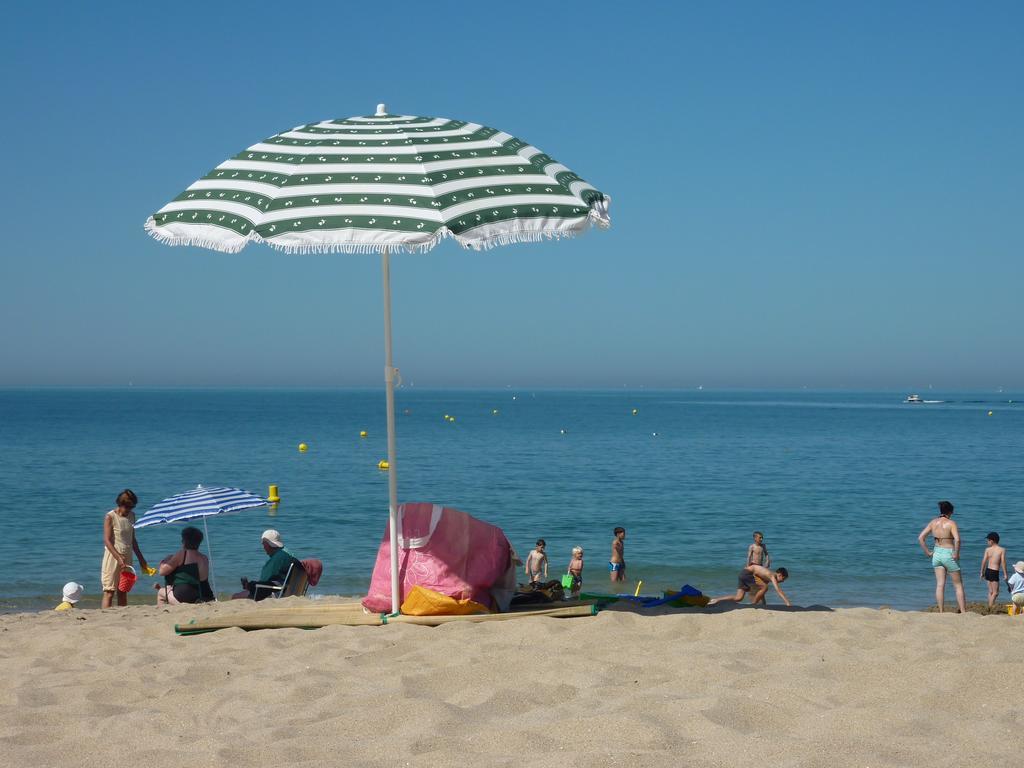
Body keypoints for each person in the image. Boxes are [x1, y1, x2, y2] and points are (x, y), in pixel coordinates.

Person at [101, 489, 150, 608]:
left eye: (132, 507)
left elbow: (132, 539)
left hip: (127, 555)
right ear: (120, 504)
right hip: (113, 556)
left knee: (123, 590)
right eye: (127, 507)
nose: (129, 510)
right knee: (109, 591)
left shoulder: (132, 516)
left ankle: (121, 615)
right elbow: (107, 540)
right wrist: (118, 557)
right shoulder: (110, 517)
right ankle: (105, 617)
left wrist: (141, 559)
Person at [917, 500, 967, 613]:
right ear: (950, 511)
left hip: (936, 554)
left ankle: (941, 611)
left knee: (940, 585)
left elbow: (920, 538)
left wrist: (928, 552)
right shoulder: (951, 523)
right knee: (958, 585)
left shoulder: (933, 522)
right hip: (948, 553)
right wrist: (957, 554)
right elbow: (958, 540)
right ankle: (963, 612)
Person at [232, 529, 299, 601]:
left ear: (268, 544)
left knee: (235, 596)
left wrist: (250, 586)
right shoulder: (287, 554)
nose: (263, 547)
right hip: (285, 589)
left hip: (275, 593)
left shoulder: (277, 559)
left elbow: (263, 582)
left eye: (263, 544)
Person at [155, 526, 213, 605]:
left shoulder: (182, 554)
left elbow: (162, 572)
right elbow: (203, 579)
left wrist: (164, 561)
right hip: (202, 595)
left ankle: (165, 614)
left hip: (183, 595)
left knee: (161, 592)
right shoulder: (204, 558)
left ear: (184, 541)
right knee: (168, 589)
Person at [708, 564, 792, 607]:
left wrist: (764, 604)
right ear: (780, 575)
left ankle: (716, 600)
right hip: (747, 574)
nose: (783, 581)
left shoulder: (767, 576)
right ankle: (753, 604)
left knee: (739, 598)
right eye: (783, 579)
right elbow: (778, 590)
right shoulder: (771, 575)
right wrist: (787, 602)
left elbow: (761, 590)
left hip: (742, 574)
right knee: (765, 587)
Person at [979, 532, 1007, 610]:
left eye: (988, 540)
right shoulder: (1002, 550)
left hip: (987, 571)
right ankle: (990, 608)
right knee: (996, 593)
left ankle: (990, 605)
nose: (987, 542)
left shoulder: (987, 549)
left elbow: (984, 561)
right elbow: (1003, 562)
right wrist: (1005, 574)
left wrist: (982, 572)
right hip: (994, 572)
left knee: (991, 591)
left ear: (992, 541)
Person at [746, 531, 772, 605]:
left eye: (762, 537)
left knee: (762, 585)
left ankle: (762, 602)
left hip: (761, 567)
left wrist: (768, 561)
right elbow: (749, 557)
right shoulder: (752, 546)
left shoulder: (763, 546)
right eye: (760, 537)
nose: (761, 539)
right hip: (754, 566)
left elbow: (766, 554)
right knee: (755, 586)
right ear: (755, 538)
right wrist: (747, 567)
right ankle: (755, 602)